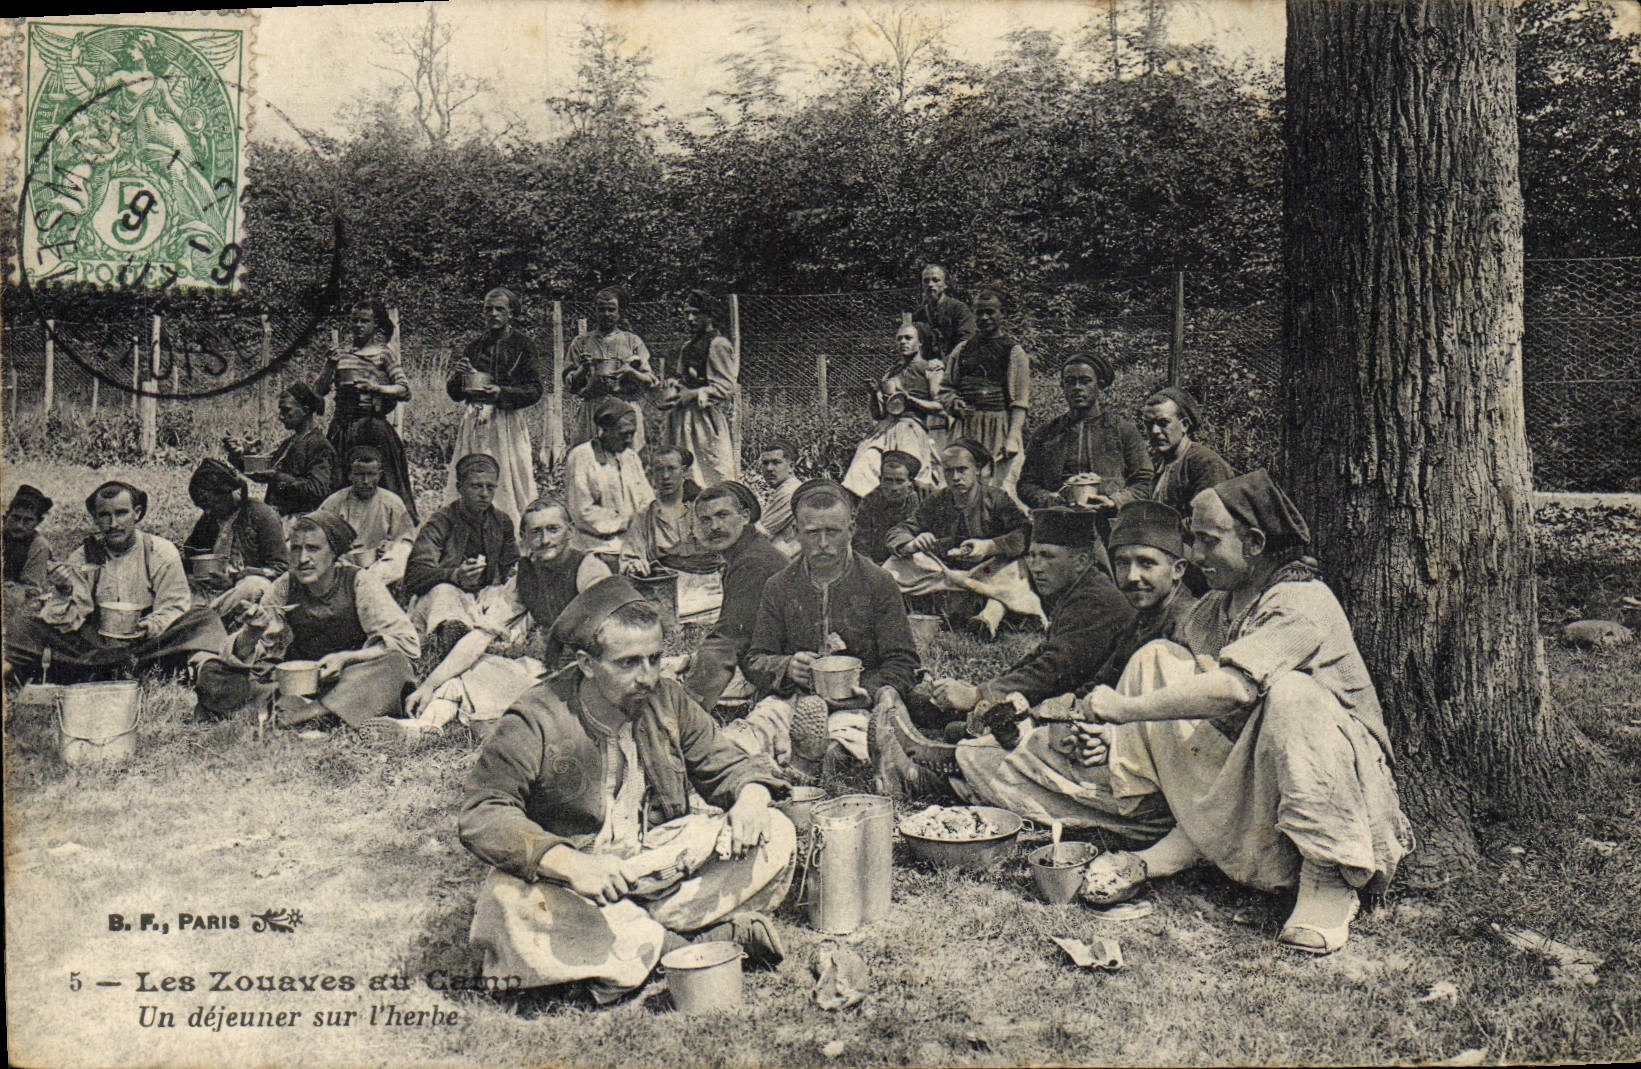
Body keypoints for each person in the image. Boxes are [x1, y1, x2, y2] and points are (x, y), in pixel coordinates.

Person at [1072, 471, 1411, 955]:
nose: (1195, 555)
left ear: (1254, 543)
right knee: (1157, 659)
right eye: (1194, 540)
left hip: (1336, 780)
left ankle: (1328, 875)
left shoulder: (1302, 600)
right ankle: (1190, 832)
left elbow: (1233, 689)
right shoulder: (1217, 607)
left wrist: (1125, 710)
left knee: (1292, 693)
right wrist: (1117, 733)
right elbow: (1195, 691)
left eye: (1209, 541)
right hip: (1255, 765)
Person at [460, 577, 794, 1004]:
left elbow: (725, 763)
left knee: (775, 830)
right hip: (577, 884)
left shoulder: (666, 698)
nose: (648, 677)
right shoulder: (535, 718)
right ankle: (680, 946)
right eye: (629, 663)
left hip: (655, 865)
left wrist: (750, 798)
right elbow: (484, 812)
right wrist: (569, 864)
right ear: (586, 663)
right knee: (506, 900)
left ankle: (627, 940)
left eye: (655, 659)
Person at [388, 499, 611, 743]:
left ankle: (498, 723)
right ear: (523, 539)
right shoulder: (526, 577)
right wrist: (428, 686)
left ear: (571, 531)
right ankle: (424, 726)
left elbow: (611, 638)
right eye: (536, 532)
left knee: (519, 693)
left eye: (553, 529)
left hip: (593, 677)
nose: (545, 540)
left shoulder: (589, 570)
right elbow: (480, 636)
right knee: (476, 668)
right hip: (553, 673)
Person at [738, 480, 921, 776]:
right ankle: (780, 759)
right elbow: (755, 659)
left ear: (851, 530)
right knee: (754, 730)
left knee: (846, 745)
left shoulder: (878, 582)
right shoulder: (779, 586)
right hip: (793, 699)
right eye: (812, 533)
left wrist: (868, 690)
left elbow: (904, 662)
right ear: (796, 532)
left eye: (833, 532)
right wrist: (787, 667)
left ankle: (809, 762)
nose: (823, 543)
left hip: (857, 706)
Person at [192, 512, 419, 727]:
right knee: (213, 670)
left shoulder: (359, 583)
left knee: (395, 666)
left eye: (313, 549)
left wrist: (346, 658)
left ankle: (312, 713)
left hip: (348, 679)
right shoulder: (285, 586)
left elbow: (406, 643)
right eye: (296, 549)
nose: (302, 559)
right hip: (296, 683)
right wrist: (251, 634)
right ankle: (312, 709)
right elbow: (260, 659)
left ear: (333, 553)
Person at [5, 481, 227, 684]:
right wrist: (64, 590)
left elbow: (174, 606)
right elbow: (69, 620)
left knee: (204, 619)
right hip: (94, 647)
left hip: (147, 645)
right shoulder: (83, 557)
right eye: (105, 516)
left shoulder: (160, 552)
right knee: (25, 625)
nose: (113, 524)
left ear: (136, 513)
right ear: (95, 519)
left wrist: (149, 626)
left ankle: (206, 670)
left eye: (121, 513)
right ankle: (108, 670)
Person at [885, 439, 1031, 633]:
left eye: (962, 470)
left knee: (1019, 567)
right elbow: (900, 530)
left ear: (976, 469)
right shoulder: (937, 499)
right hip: (947, 573)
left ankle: (988, 618)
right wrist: (912, 544)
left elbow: (1025, 533)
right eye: (949, 471)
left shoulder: (996, 498)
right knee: (893, 565)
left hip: (988, 572)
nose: (955, 477)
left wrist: (989, 546)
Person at [680, 482, 790, 711]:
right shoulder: (748, 552)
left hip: (789, 672)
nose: (714, 527)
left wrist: (687, 712)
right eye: (705, 520)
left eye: (723, 515)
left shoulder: (754, 563)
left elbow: (726, 644)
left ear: (745, 516)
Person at [405, 453, 521, 666]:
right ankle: (452, 638)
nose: (484, 494)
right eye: (476, 486)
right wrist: (454, 575)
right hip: (445, 597)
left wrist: (509, 579)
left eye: (490, 487)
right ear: (460, 488)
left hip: (483, 597)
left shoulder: (502, 521)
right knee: (444, 593)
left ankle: (476, 640)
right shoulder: (441, 522)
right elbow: (414, 575)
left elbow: (510, 566)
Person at [316, 299, 419, 523]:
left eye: (364, 321)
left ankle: (389, 528)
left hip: (373, 428)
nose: (358, 325)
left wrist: (377, 388)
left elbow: (404, 390)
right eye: (354, 320)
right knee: (339, 482)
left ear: (376, 325)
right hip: (342, 428)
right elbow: (318, 392)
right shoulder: (341, 356)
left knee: (383, 480)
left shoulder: (383, 354)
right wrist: (329, 365)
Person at [446, 287, 543, 522]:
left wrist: (502, 393)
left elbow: (535, 390)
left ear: (511, 313)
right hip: (474, 421)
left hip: (506, 423)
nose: (493, 314)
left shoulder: (523, 346)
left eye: (500, 309)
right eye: (488, 309)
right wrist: (459, 376)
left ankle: (509, 524)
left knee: (509, 478)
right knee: (473, 473)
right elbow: (455, 394)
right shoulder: (475, 347)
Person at [1019, 354, 1153, 513]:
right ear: (1062, 386)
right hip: (1057, 519)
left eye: (1085, 381)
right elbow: (1026, 484)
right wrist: (1050, 500)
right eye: (1070, 382)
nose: (1077, 387)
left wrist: (1114, 501)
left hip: (1109, 521)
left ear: (1099, 385)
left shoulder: (1123, 431)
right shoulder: (1046, 433)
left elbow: (1144, 482)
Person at [1093, 500, 1200, 687]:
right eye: (1122, 563)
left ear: (1178, 570)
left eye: (1146, 563)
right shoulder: (1142, 618)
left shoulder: (1188, 626)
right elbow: (1106, 681)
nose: (1132, 576)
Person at [841, 319, 946, 498]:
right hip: (885, 429)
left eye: (908, 338)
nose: (903, 342)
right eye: (899, 338)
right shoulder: (892, 372)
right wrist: (874, 393)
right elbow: (878, 414)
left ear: (920, 342)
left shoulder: (930, 368)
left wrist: (910, 399)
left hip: (911, 428)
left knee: (908, 475)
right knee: (863, 467)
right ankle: (868, 509)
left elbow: (940, 406)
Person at [940, 290, 1030, 492]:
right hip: (966, 427)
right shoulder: (962, 349)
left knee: (1000, 486)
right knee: (960, 483)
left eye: (990, 312)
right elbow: (946, 388)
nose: (984, 318)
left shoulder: (1014, 352)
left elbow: (1020, 402)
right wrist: (954, 402)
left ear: (1001, 314)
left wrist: (1012, 437)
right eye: (979, 313)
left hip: (999, 427)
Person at [181, 458, 289, 625]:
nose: (208, 511)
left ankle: (206, 620)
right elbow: (191, 554)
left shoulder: (262, 516)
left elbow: (280, 569)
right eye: (203, 507)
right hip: (210, 590)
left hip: (241, 589)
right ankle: (206, 617)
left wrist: (235, 579)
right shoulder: (210, 518)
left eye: (213, 503)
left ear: (228, 493)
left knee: (255, 586)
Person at [564, 398, 657, 567]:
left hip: (635, 539)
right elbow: (581, 511)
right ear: (604, 430)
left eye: (632, 433)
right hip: (598, 545)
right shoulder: (582, 457)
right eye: (623, 434)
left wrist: (645, 520)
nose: (629, 440)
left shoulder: (631, 457)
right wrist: (625, 521)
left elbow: (647, 498)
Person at [661, 289, 739, 487]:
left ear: (709, 316)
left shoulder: (717, 344)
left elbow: (726, 387)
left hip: (704, 420)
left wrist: (695, 394)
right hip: (682, 418)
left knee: (710, 471)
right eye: (687, 313)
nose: (690, 319)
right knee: (683, 471)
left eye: (696, 313)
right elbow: (683, 378)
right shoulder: (688, 346)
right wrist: (674, 385)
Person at [565, 286, 657, 453]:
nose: (606, 314)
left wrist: (631, 372)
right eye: (601, 309)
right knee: (590, 457)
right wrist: (584, 368)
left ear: (619, 312)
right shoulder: (581, 342)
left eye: (611, 310)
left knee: (628, 457)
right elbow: (570, 385)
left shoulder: (632, 341)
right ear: (595, 311)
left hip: (625, 408)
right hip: (593, 410)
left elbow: (650, 380)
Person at [227, 384, 338, 521]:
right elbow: (262, 473)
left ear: (305, 410)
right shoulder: (290, 442)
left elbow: (318, 489)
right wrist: (237, 456)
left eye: (286, 410)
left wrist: (278, 477)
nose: (281, 417)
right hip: (279, 518)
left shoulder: (318, 445)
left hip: (302, 522)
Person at [315, 446, 417, 587]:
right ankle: (359, 584)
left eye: (371, 474)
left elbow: (406, 540)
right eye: (359, 474)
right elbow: (316, 533)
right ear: (350, 475)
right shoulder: (335, 502)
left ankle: (367, 583)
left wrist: (391, 545)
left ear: (379, 475)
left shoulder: (392, 502)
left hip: (379, 567)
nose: (366, 481)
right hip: (344, 563)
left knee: (402, 552)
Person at [1142, 386, 1235, 517]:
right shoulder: (1158, 462)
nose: (1154, 431)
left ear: (1184, 425)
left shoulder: (1206, 464)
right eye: (1148, 424)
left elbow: (1209, 520)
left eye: (1163, 423)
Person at [632, 444, 711, 572]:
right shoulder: (645, 515)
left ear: (684, 472)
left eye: (671, 469)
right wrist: (635, 563)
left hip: (707, 578)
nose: (665, 476)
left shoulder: (704, 509)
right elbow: (631, 555)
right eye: (659, 470)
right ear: (651, 474)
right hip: (663, 579)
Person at [851, 451, 928, 565]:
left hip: (918, 561)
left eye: (899, 481)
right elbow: (861, 544)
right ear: (880, 480)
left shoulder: (926, 495)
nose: (893, 488)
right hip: (880, 564)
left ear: (911, 483)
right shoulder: (870, 502)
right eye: (888, 480)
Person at [3, 485, 54, 640]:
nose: (19, 525)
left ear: (38, 522)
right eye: (15, 518)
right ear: (6, 516)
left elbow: (31, 590)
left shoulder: (39, 546)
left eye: (28, 521)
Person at [911, 264, 976, 360]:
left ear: (945, 284)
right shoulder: (919, 314)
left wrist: (944, 363)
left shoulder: (959, 309)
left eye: (936, 280)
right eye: (926, 281)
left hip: (955, 362)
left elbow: (966, 341)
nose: (930, 284)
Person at [756, 441, 803, 555]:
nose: (769, 468)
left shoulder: (790, 491)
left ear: (791, 467)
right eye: (765, 463)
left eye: (776, 462)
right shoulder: (785, 489)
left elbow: (760, 533)